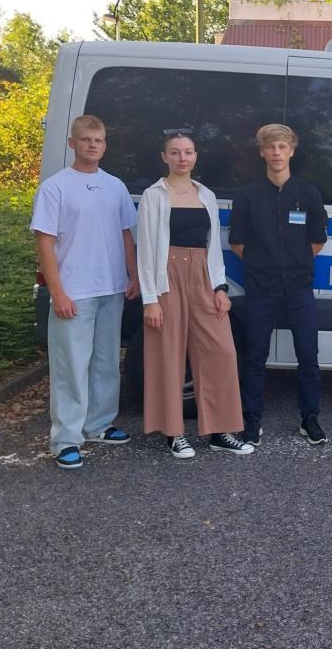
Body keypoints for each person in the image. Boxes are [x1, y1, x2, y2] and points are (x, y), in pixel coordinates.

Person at [136, 133, 254, 459]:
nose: (182, 158)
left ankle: (220, 431)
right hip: (166, 276)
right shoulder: (153, 196)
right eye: (175, 152)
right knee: (168, 355)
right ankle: (174, 434)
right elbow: (146, 250)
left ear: (195, 156)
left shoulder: (206, 195)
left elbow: (213, 245)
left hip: (202, 274)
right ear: (164, 157)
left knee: (221, 352)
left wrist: (219, 287)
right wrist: (150, 299)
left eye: (187, 152)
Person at [31, 115, 138, 470]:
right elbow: (44, 244)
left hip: (111, 288)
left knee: (106, 363)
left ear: (105, 145)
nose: (93, 145)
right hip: (73, 292)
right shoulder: (55, 187)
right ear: (72, 143)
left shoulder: (115, 186)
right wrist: (57, 292)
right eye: (86, 139)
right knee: (70, 367)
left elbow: (126, 234)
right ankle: (65, 440)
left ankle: (98, 425)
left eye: (99, 140)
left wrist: (133, 275)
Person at [230, 124, 329, 446]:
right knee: (255, 357)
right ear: (262, 152)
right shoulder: (247, 196)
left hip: (299, 287)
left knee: (308, 356)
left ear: (291, 152)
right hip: (261, 287)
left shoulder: (308, 194)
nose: (276, 152)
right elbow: (237, 243)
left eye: (282, 147)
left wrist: (294, 263)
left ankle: (309, 418)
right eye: (271, 147)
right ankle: (252, 420)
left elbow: (317, 239)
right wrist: (265, 265)